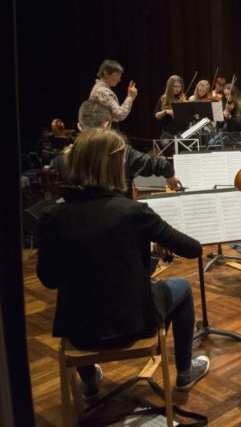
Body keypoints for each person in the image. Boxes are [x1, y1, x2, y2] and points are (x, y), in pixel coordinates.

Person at [37, 128, 209, 398]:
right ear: (115, 165)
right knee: (183, 289)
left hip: (79, 332)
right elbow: (193, 249)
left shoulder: (52, 217)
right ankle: (185, 373)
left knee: (81, 300)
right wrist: (154, 238)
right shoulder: (132, 212)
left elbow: (48, 279)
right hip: (133, 324)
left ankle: (90, 379)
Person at [51, 100, 182, 195]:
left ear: (79, 127)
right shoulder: (123, 153)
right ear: (107, 125)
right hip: (120, 225)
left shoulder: (59, 162)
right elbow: (160, 164)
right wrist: (170, 176)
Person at [154, 75, 187, 140]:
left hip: (182, 132)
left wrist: (186, 105)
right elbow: (156, 115)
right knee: (166, 144)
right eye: (175, 87)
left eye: (179, 87)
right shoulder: (164, 98)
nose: (177, 89)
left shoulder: (183, 98)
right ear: (170, 87)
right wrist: (165, 111)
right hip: (168, 132)